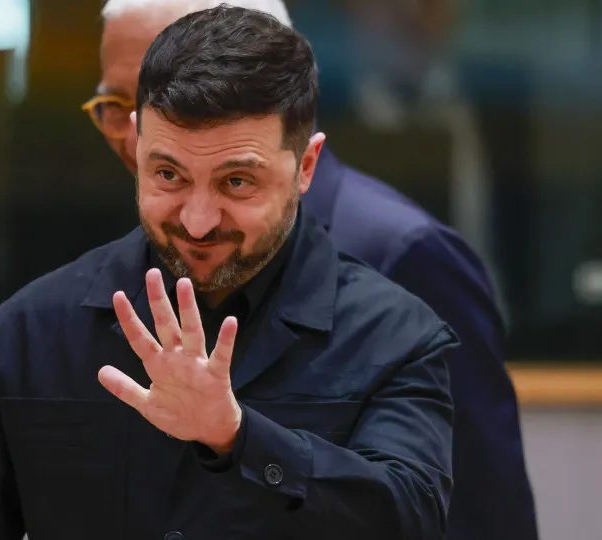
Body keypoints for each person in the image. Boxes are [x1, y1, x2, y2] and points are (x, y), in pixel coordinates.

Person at [0, 6, 458, 539]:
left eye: (237, 182)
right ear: (137, 145)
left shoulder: (397, 338)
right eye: (169, 175)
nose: (197, 221)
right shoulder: (29, 332)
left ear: (305, 166)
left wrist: (239, 437)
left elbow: (409, 520)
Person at [88, 1, 539, 539]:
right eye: (119, 105)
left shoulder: (401, 254)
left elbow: (478, 513)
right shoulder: (119, 267)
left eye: (187, 88)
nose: (134, 133)